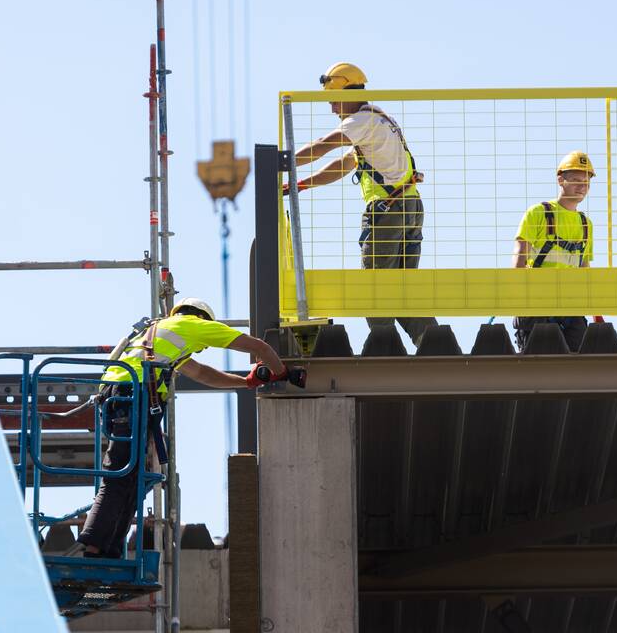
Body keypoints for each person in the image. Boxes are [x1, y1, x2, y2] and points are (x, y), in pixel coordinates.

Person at [68, 297, 285, 558]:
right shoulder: (194, 326)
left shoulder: (161, 334)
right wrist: (281, 372)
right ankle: (93, 545)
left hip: (120, 396)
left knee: (132, 474)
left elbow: (204, 374)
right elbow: (257, 346)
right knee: (118, 473)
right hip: (133, 395)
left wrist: (246, 382)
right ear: (203, 318)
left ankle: (110, 547)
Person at [287, 62, 436, 345]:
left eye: (333, 100)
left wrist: (282, 163)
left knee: (373, 288)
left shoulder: (359, 121)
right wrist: (301, 184)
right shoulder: (377, 120)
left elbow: (323, 145)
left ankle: (385, 349)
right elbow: (342, 165)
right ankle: (436, 345)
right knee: (402, 291)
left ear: (347, 94)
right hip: (409, 207)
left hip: (388, 212)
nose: (332, 108)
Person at [511, 150, 595, 352]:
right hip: (535, 306)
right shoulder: (538, 213)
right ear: (560, 180)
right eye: (575, 180)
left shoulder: (585, 224)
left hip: (570, 309)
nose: (581, 186)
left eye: (585, 181)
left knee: (577, 369)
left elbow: (584, 269)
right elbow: (518, 263)